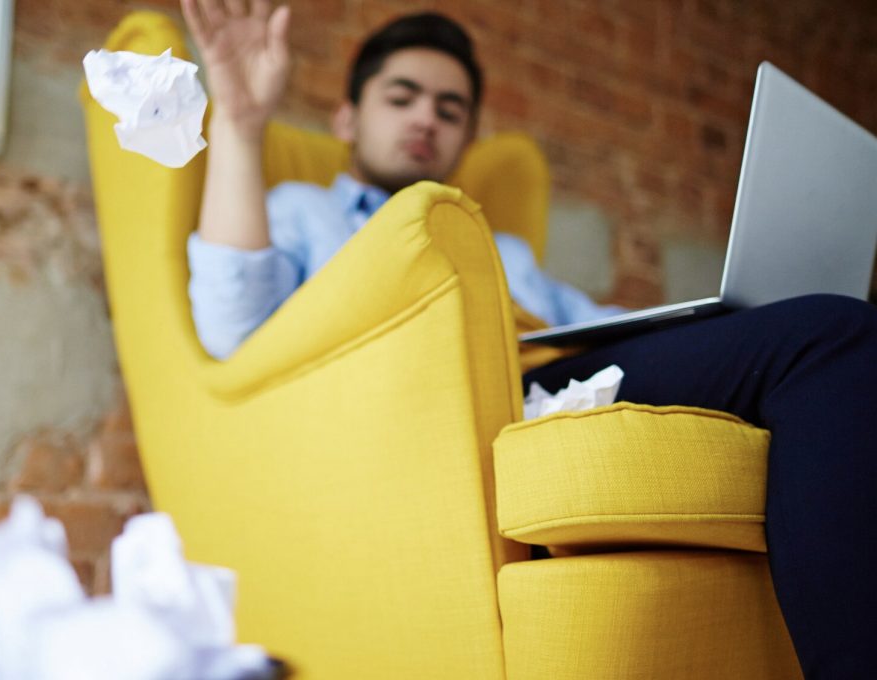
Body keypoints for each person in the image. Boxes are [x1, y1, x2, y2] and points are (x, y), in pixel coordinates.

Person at [180, 0, 877, 676]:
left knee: (816, 341)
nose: (427, 117)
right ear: (347, 118)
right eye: (403, 97)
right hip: (442, 403)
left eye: (449, 110)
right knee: (831, 335)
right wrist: (242, 126)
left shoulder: (503, 248)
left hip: (567, 377)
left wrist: (723, 322)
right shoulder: (304, 212)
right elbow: (232, 330)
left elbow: (601, 327)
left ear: (465, 138)